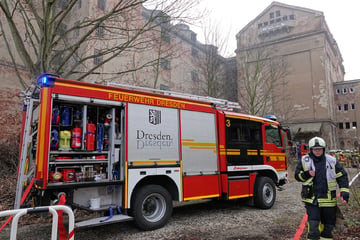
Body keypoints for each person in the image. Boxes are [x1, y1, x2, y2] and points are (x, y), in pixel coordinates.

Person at [294, 137, 350, 240]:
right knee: (314, 227)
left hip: (329, 200)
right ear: (311, 150)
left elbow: (342, 176)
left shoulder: (332, 161)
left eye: (320, 149)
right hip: (312, 200)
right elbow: (297, 176)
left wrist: (344, 192)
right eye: (315, 149)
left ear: (323, 149)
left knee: (328, 228)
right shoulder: (304, 160)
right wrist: (306, 174)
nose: (318, 151)